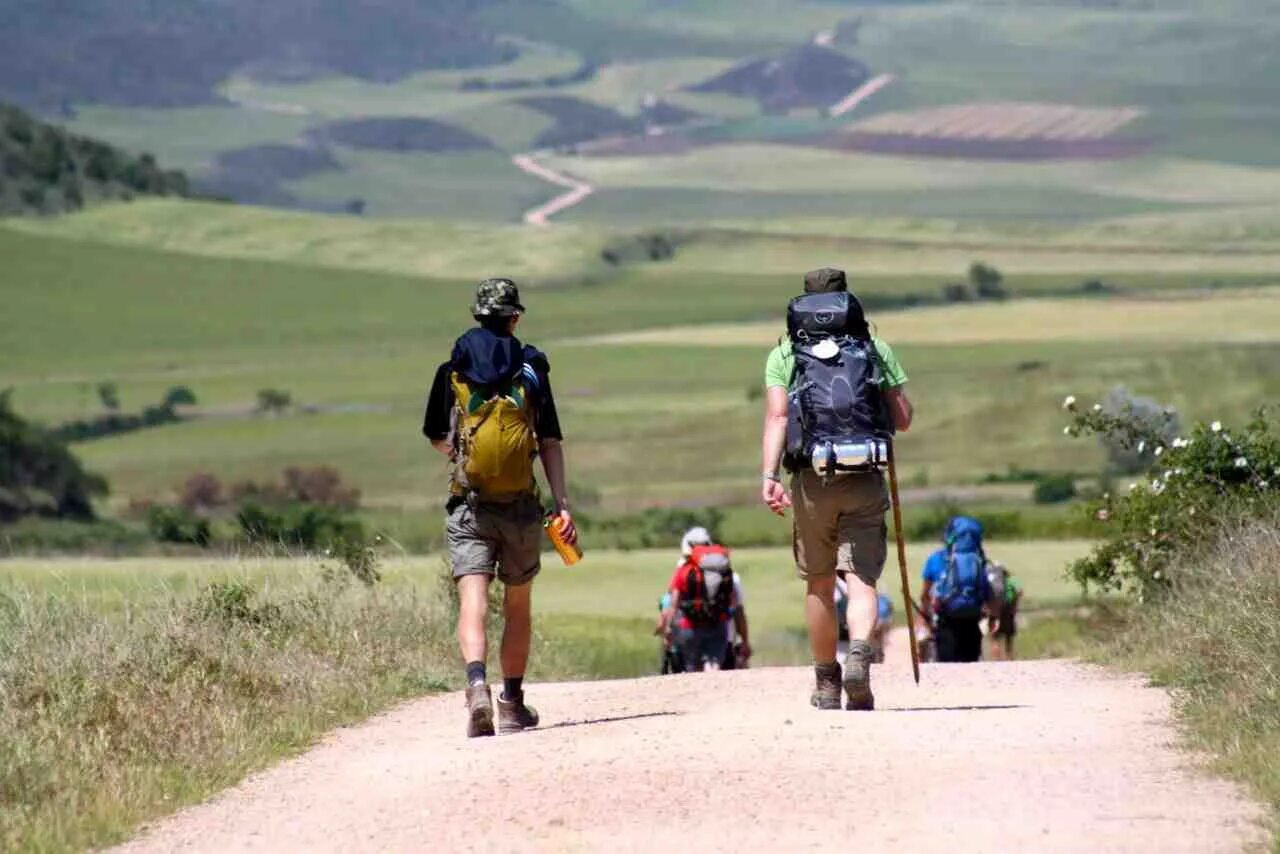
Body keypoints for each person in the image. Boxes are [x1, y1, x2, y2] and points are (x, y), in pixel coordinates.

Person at [422, 277, 577, 738]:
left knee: (472, 599)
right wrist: (562, 504)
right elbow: (548, 441)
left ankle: (475, 686)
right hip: (521, 507)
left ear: (476, 315)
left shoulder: (451, 369)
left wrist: (467, 461)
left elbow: (436, 436)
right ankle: (511, 703)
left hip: (470, 505)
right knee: (517, 604)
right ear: (515, 317)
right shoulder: (531, 368)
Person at [760, 267, 913, 710]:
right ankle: (860, 655)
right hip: (865, 475)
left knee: (819, 583)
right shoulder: (874, 348)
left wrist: (769, 476)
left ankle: (827, 683)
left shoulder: (784, 353)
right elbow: (901, 419)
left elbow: (777, 418)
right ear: (847, 301)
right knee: (862, 578)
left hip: (812, 480)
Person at [658, 536, 747, 672]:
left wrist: (668, 628)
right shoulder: (723, 571)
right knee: (715, 663)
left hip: (690, 627)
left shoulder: (684, 570)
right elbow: (734, 603)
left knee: (693, 667)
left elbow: (673, 603)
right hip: (719, 624)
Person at [919, 516, 996, 664]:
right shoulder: (979, 561)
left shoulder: (936, 559)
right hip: (973, 620)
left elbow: (925, 595)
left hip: (945, 620)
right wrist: (992, 617)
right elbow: (988, 593)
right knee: (970, 665)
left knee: (947, 666)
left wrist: (925, 619)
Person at [988, 562, 1022, 661]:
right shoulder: (1010, 580)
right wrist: (1014, 607)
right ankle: (1009, 659)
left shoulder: (991, 580)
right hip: (1009, 613)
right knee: (1009, 639)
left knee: (994, 638)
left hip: (995, 613)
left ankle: (996, 661)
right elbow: (1019, 592)